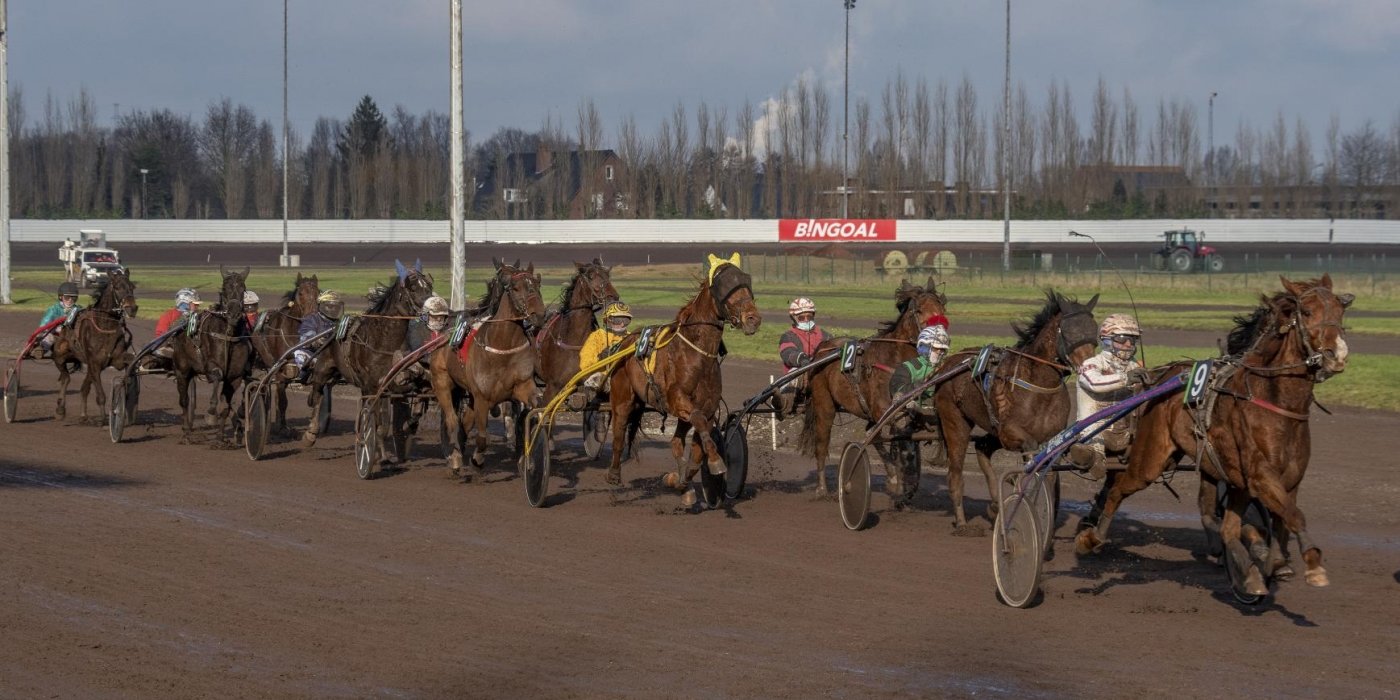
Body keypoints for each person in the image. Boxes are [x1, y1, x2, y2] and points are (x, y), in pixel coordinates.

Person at [1069, 313, 1148, 479]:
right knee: (1093, 442)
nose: (1128, 344)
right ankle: (1089, 457)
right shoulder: (1091, 364)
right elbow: (1094, 383)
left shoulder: (1134, 366)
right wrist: (1126, 379)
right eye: (1122, 339)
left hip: (1125, 429)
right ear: (1107, 339)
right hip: (1093, 427)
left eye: (1132, 340)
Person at [772, 297, 834, 418]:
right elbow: (788, 353)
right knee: (795, 372)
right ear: (794, 318)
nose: (806, 320)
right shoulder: (788, 336)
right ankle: (784, 404)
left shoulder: (826, 335)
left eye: (809, 317)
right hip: (800, 372)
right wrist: (801, 359)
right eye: (802, 318)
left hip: (821, 372)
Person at [888, 324, 952, 420]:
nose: (939, 352)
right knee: (901, 398)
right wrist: (921, 385)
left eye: (942, 349)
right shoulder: (908, 367)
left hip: (941, 410)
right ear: (924, 346)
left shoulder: (947, 367)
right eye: (936, 348)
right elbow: (897, 389)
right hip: (913, 412)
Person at [578, 302, 633, 394]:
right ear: (607, 320)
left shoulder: (632, 337)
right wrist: (600, 359)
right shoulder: (597, 336)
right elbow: (585, 365)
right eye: (618, 320)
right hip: (603, 379)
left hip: (628, 378)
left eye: (626, 320)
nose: (622, 324)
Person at [293, 290, 343, 382]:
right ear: (321, 306)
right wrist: (316, 341)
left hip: (329, 355)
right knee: (300, 357)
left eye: (335, 307)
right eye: (330, 306)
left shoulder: (339, 323)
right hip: (310, 352)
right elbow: (306, 339)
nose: (333, 309)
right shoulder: (312, 319)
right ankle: (301, 377)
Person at [29, 282, 81, 359]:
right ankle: (40, 350)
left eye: (73, 298)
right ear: (61, 297)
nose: (70, 300)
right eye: (67, 297)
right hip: (56, 335)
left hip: (72, 335)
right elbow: (43, 325)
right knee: (49, 338)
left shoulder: (79, 309)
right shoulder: (53, 309)